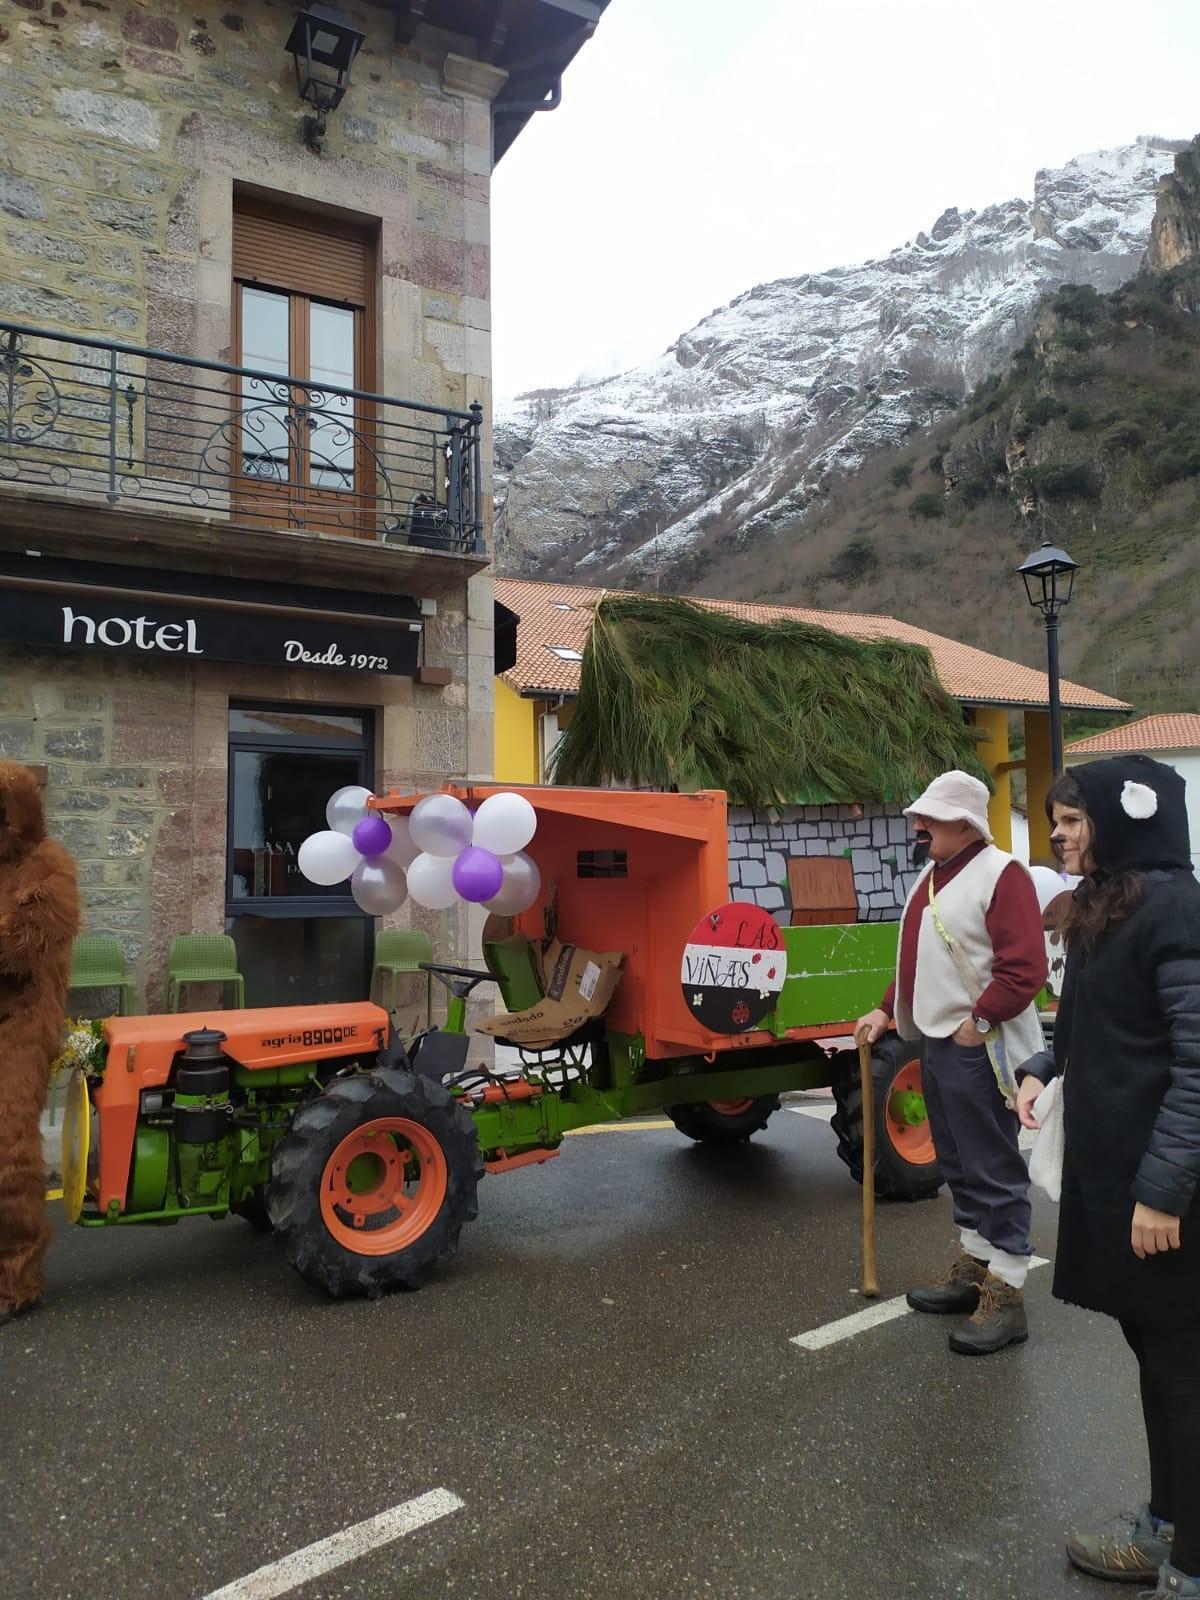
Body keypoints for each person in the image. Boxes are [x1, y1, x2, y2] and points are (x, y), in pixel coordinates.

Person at [1017, 754, 1200, 1597]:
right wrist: (1045, 1064)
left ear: (1125, 823)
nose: (1058, 831)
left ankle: (1188, 1561)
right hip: (1120, 1182)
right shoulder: (1111, 907)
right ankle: (1169, 1526)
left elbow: (1198, 1066)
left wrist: (1163, 1191)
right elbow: (1098, 1018)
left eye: (1076, 818)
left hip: (1162, 1193)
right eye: (1058, 818)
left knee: (1182, 1371)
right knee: (1158, 1361)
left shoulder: (1174, 911)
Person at [856, 769, 1047, 1355]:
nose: (918, 825)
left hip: (977, 1043)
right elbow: (919, 956)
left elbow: (1025, 969)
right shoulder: (934, 874)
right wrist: (887, 1009)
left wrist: (978, 1022)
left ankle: (1008, 1290)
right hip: (941, 1040)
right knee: (960, 1162)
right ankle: (976, 1263)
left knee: (991, 1163)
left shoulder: (1001, 874)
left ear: (964, 823)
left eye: (930, 817)